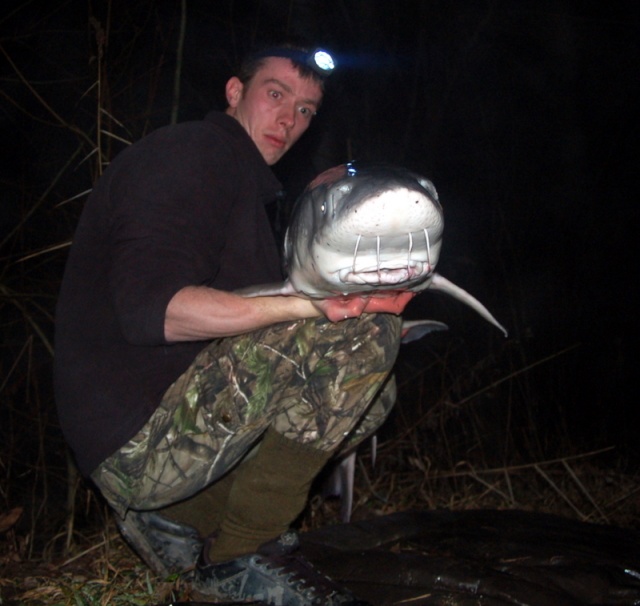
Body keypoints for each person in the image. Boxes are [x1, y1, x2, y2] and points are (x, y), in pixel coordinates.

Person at [54, 44, 412, 605]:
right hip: (134, 440)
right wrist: (312, 308)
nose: (290, 120)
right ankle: (239, 559)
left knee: (374, 387)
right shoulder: (189, 155)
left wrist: (334, 276)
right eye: (276, 95)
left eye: (306, 111)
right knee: (359, 341)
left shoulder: (244, 190)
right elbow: (158, 312)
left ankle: (184, 521)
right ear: (233, 92)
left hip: (178, 439)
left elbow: (261, 333)